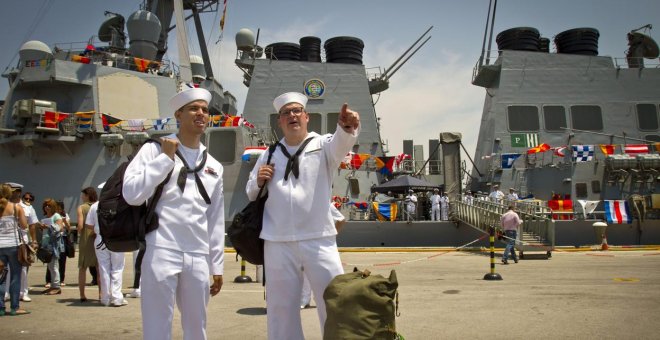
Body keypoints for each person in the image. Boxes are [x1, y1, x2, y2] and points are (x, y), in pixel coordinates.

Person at [247, 91, 359, 339]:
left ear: (307, 116)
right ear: (280, 121)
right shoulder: (269, 153)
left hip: (319, 238)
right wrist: (258, 180)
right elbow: (251, 192)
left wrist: (347, 127)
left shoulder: (323, 145)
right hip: (277, 241)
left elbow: (341, 144)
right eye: (286, 113)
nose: (292, 116)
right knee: (280, 310)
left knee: (334, 303)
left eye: (297, 111)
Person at [122, 86, 225, 340]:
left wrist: (217, 264)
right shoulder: (154, 149)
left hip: (198, 254)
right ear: (178, 115)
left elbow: (215, 218)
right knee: (157, 326)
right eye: (194, 108)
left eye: (204, 109)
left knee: (197, 328)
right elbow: (131, 193)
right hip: (161, 249)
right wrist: (165, 160)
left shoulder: (213, 165)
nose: (201, 113)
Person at [300, 204, 346, 309]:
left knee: (323, 274)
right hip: (308, 242)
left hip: (322, 245)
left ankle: (320, 299)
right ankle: (305, 300)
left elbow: (342, 220)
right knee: (305, 272)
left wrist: (332, 235)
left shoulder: (327, 204)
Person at [85, 193, 127, 307]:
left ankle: (105, 298)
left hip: (100, 239)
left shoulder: (95, 206)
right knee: (117, 268)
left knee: (104, 268)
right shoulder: (120, 204)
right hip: (116, 238)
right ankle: (117, 297)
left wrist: (98, 229)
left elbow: (89, 225)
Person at [0, 183, 29, 316]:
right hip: (13, 245)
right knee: (15, 277)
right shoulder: (16, 208)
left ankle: (0, 308)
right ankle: (14, 307)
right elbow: (24, 226)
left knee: (1, 278)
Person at [76, 187, 99, 302]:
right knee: (99, 267)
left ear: (87, 195)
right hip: (97, 238)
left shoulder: (81, 208)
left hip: (86, 238)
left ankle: (82, 295)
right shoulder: (98, 206)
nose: (82, 197)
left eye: (83, 195)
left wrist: (78, 231)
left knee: (83, 267)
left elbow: (80, 225)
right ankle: (101, 293)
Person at [40, 198, 65, 295]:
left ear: (53, 206)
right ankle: (53, 286)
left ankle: (56, 287)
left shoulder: (56, 215)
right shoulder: (47, 216)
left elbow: (60, 228)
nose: (47, 207)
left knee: (54, 266)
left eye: (49, 205)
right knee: (50, 266)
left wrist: (49, 226)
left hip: (53, 244)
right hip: (46, 243)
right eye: (45, 205)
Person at [45, 200, 71, 287]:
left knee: (60, 261)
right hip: (50, 240)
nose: (58, 210)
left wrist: (64, 222)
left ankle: (59, 281)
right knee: (50, 262)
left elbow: (64, 228)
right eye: (57, 208)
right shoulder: (50, 215)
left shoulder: (61, 216)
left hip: (61, 239)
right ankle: (49, 281)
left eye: (60, 208)